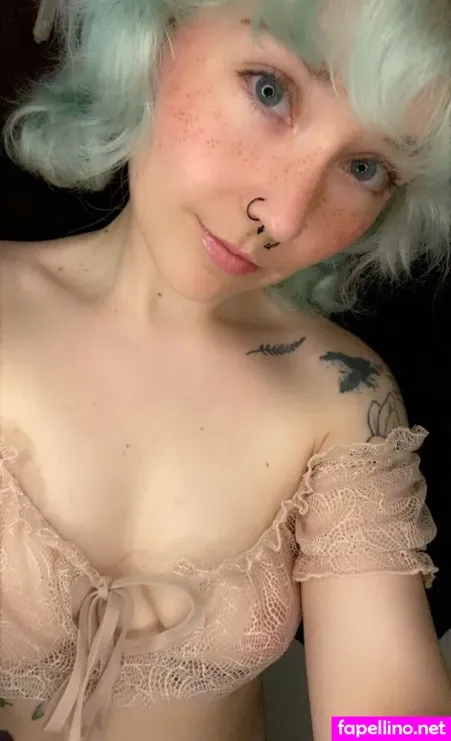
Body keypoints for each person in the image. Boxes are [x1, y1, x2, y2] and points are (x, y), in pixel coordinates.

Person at [0, 0, 450, 740]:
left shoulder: (340, 393)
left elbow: (387, 708)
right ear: (157, 31)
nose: (283, 215)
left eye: (365, 168)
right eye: (270, 91)